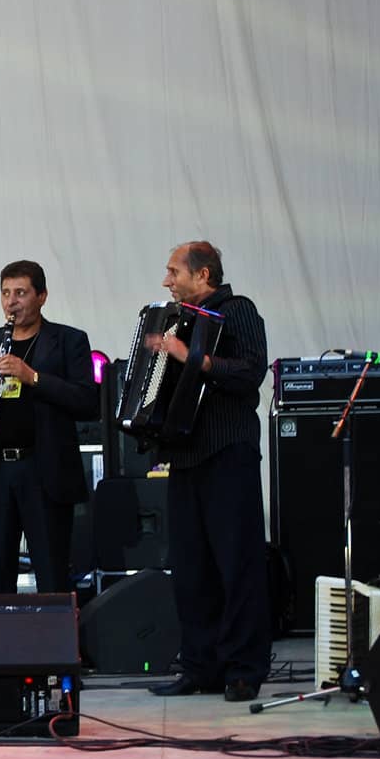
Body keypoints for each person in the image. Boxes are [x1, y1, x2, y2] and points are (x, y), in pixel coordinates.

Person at [145, 241, 271, 702]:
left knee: (237, 565)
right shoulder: (174, 320)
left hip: (227, 452)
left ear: (203, 276)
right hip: (186, 456)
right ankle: (200, 666)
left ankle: (243, 669)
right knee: (192, 568)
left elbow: (250, 372)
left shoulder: (236, 311)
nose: (166, 280)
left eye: (174, 271)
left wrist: (190, 357)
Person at [0, 261, 99, 593]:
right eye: (5, 293)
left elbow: (88, 401)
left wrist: (31, 376)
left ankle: (54, 644)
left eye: (21, 293)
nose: (11, 302)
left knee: (52, 574)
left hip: (44, 470)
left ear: (42, 296)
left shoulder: (68, 340)